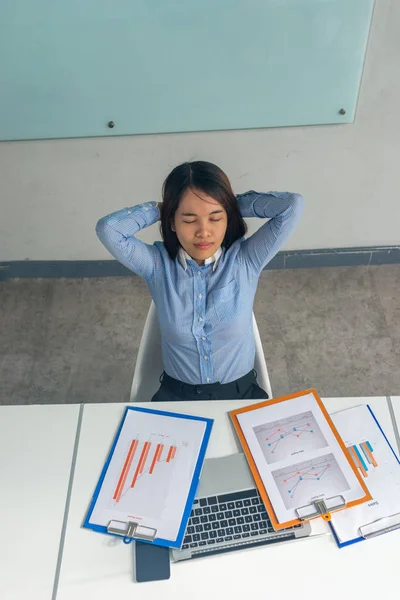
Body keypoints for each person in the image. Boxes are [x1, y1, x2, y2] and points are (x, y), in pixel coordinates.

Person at [96, 161, 304, 402]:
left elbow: (292, 205)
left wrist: (228, 202)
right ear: (172, 222)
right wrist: (163, 207)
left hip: (242, 395)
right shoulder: (157, 266)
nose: (203, 232)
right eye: (189, 219)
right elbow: (108, 229)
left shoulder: (245, 259)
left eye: (215, 218)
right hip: (176, 397)